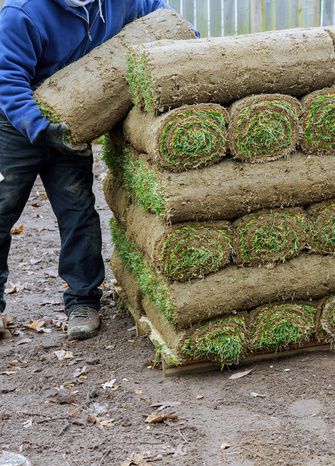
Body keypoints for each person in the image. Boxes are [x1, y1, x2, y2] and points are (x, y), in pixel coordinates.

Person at [0, 0, 196, 340]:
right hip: (16, 124)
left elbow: (163, 15)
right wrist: (40, 127)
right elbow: (6, 77)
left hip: (71, 122)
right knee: (1, 211)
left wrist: (188, 37)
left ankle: (82, 302)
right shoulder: (23, 12)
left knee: (78, 213)